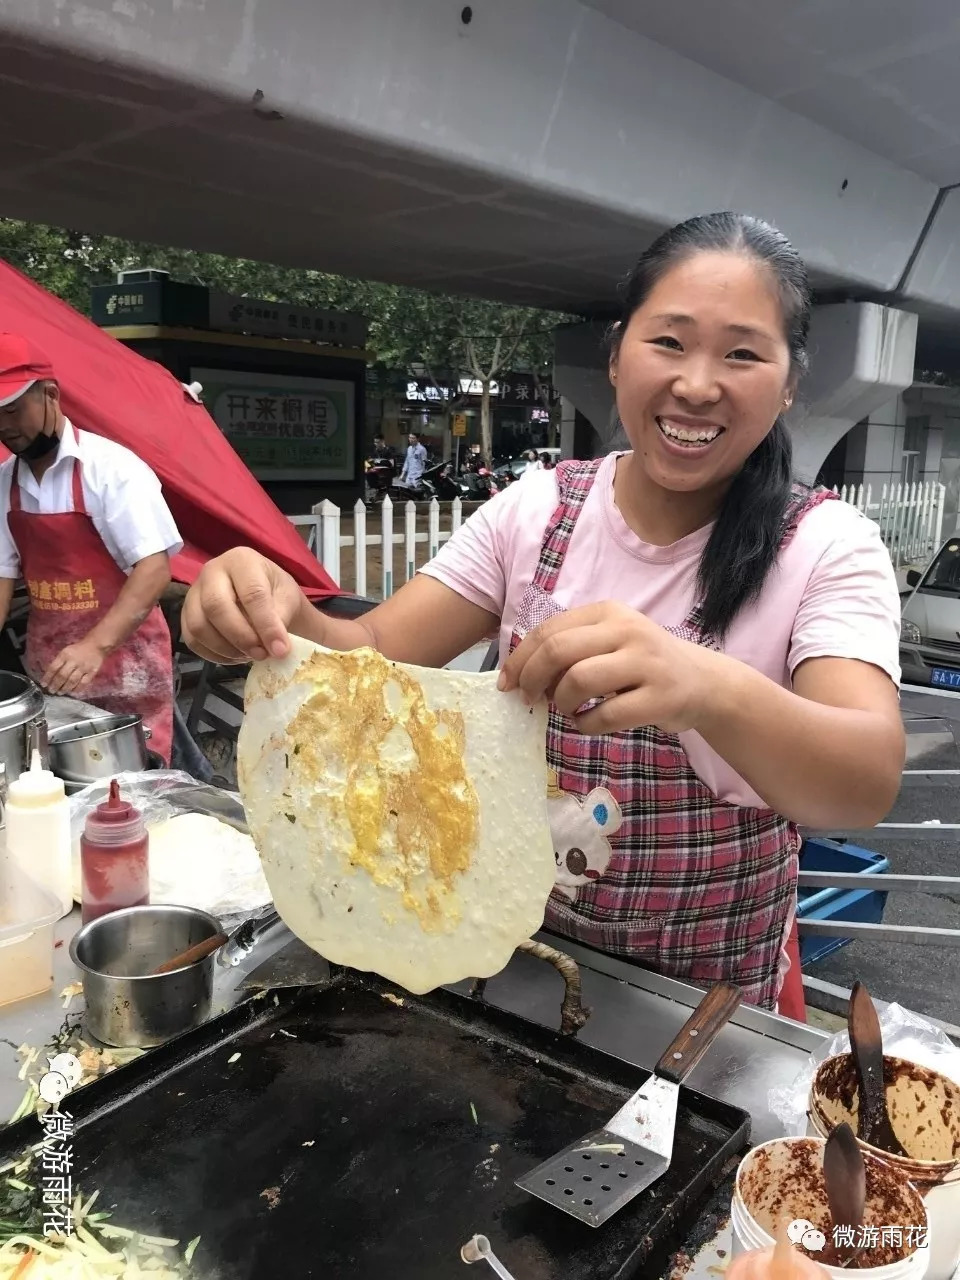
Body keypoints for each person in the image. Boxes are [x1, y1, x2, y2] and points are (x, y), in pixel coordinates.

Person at [180, 213, 904, 1012]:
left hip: (705, 1013)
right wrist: (275, 613)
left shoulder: (826, 547)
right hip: (516, 958)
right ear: (618, 352)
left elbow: (864, 781)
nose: (698, 385)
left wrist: (707, 688)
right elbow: (370, 649)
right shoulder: (537, 511)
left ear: (790, 380)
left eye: (741, 353)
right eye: (669, 342)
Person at [0, 333, 183, 764]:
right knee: (60, 786)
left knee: (135, 790)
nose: (4, 426)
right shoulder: (4, 483)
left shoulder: (112, 469)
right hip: (53, 670)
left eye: (12, 409)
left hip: (128, 670)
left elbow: (154, 569)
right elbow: (2, 574)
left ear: (50, 395)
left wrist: (96, 646)